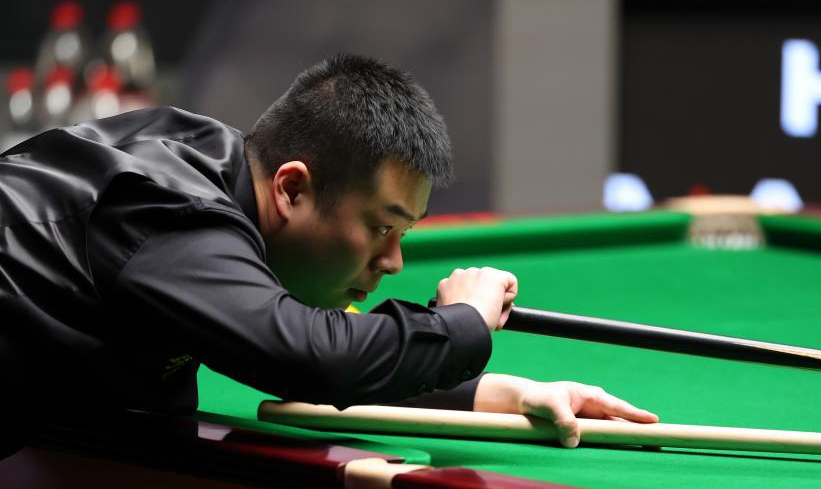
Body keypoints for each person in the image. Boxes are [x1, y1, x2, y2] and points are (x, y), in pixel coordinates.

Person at [0, 54, 656, 457]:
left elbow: (304, 342)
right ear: (292, 189)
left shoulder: (217, 178)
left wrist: (508, 394)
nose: (393, 261)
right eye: (381, 227)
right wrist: (460, 324)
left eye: (403, 234)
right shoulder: (172, 212)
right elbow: (312, 357)